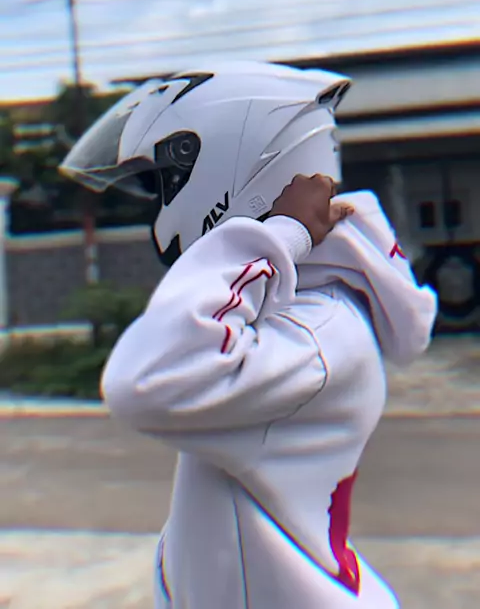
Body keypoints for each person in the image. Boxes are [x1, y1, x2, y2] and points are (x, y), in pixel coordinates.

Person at [61, 61, 437, 609]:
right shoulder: (299, 312)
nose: (162, 203)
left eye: (168, 182)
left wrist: (280, 232)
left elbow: (144, 380)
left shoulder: (315, 337)